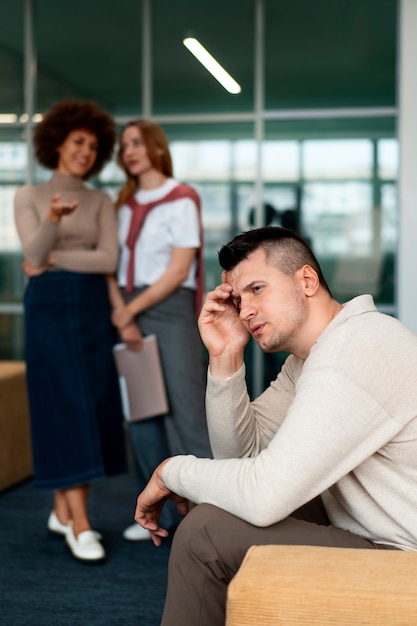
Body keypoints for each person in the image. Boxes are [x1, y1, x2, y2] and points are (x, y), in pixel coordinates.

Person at [133, 225, 417, 625]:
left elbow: (262, 495)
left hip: (406, 558)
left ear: (306, 280)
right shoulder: (310, 360)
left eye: (257, 289)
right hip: (379, 534)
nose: (244, 310)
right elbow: (240, 458)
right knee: (232, 506)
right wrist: (226, 357)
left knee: (204, 532)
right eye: (238, 297)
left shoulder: (354, 350)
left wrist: (170, 472)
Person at [14, 99, 127, 563]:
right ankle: (80, 523)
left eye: (93, 146)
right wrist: (53, 223)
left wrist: (55, 257)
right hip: (47, 310)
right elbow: (33, 254)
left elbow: (109, 260)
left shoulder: (101, 200)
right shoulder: (29, 197)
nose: (85, 151)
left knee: (90, 403)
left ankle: (62, 511)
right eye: (78, 141)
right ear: (57, 141)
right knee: (61, 404)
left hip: (92, 307)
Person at [106, 119, 212, 542]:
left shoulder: (181, 198)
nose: (129, 151)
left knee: (185, 410)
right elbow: (110, 268)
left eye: (137, 143)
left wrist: (131, 309)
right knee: (144, 413)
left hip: (167, 309)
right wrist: (123, 313)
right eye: (124, 145)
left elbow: (179, 269)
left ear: (155, 148)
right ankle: (154, 512)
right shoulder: (122, 206)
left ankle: (205, 514)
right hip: (127, 309)